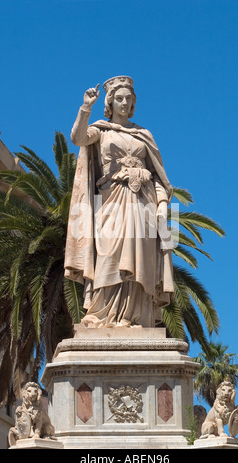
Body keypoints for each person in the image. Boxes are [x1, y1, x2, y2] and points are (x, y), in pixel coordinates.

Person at [64, 76, 174, 328]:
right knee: (108, 255)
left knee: (140, 259)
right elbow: (78, 138)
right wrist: (85, 108)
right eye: (119, 98)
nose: (124, 103)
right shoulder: (100, 130)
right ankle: (101, 314)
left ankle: (135, 316)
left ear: (134, 103)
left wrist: (163, 204)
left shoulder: (144, 134)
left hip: (144, 202)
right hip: (110, 200)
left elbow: (159, 176)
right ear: (110, 102)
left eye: (129, 99)